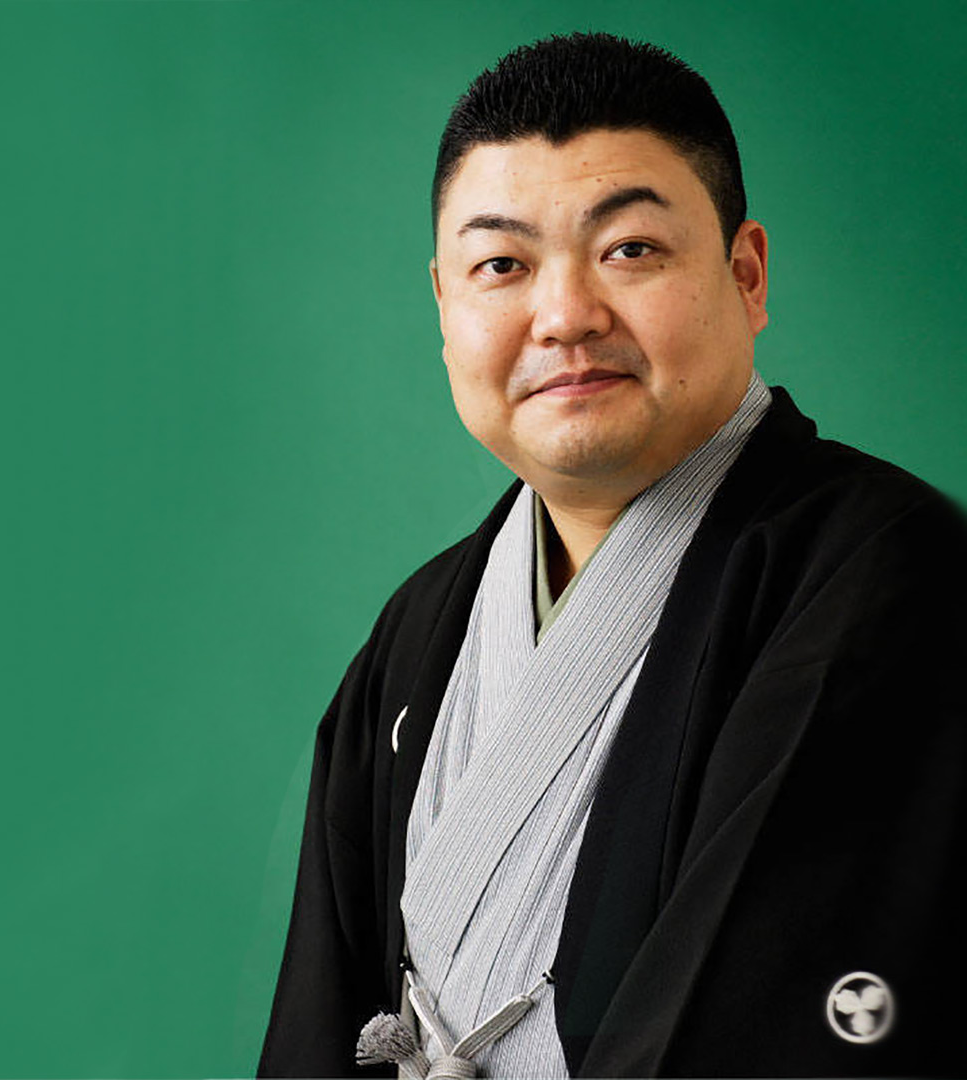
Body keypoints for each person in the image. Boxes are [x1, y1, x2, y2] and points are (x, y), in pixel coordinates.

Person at [258, 32, 965, 1078]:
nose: (565, 317)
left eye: (629, 249)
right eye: (502, 265)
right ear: (446, 309)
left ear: (746, 273)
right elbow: (325, 1019)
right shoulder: (419, 630)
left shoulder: (888, 577)